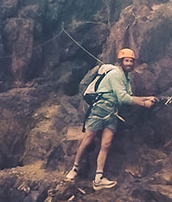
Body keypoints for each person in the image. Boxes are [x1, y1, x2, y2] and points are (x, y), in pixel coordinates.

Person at [64, 48, 158, 189]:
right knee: (88, 138)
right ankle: (74, 169)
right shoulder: (115, 74)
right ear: (121, 62)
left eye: (131, 61)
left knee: (106, 144)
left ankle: (98, 178)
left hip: (113, 112)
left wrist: (148, 98)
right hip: (100, 109)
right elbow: (123, 98)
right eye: (127, 60)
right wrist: (144, 104)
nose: (129, 63)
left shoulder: (126, 78)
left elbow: (127, 97)